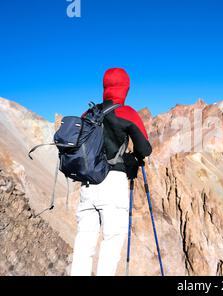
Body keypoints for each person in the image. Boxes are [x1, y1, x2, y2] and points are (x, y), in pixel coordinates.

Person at [70, 68, 152, 276]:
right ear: (125, 88)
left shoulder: (88, 114)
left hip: (88, 184)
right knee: (112, 242)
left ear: (105, 87)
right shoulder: (126, 113)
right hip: (112, 185)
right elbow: (145, 149)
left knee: (84, 245)